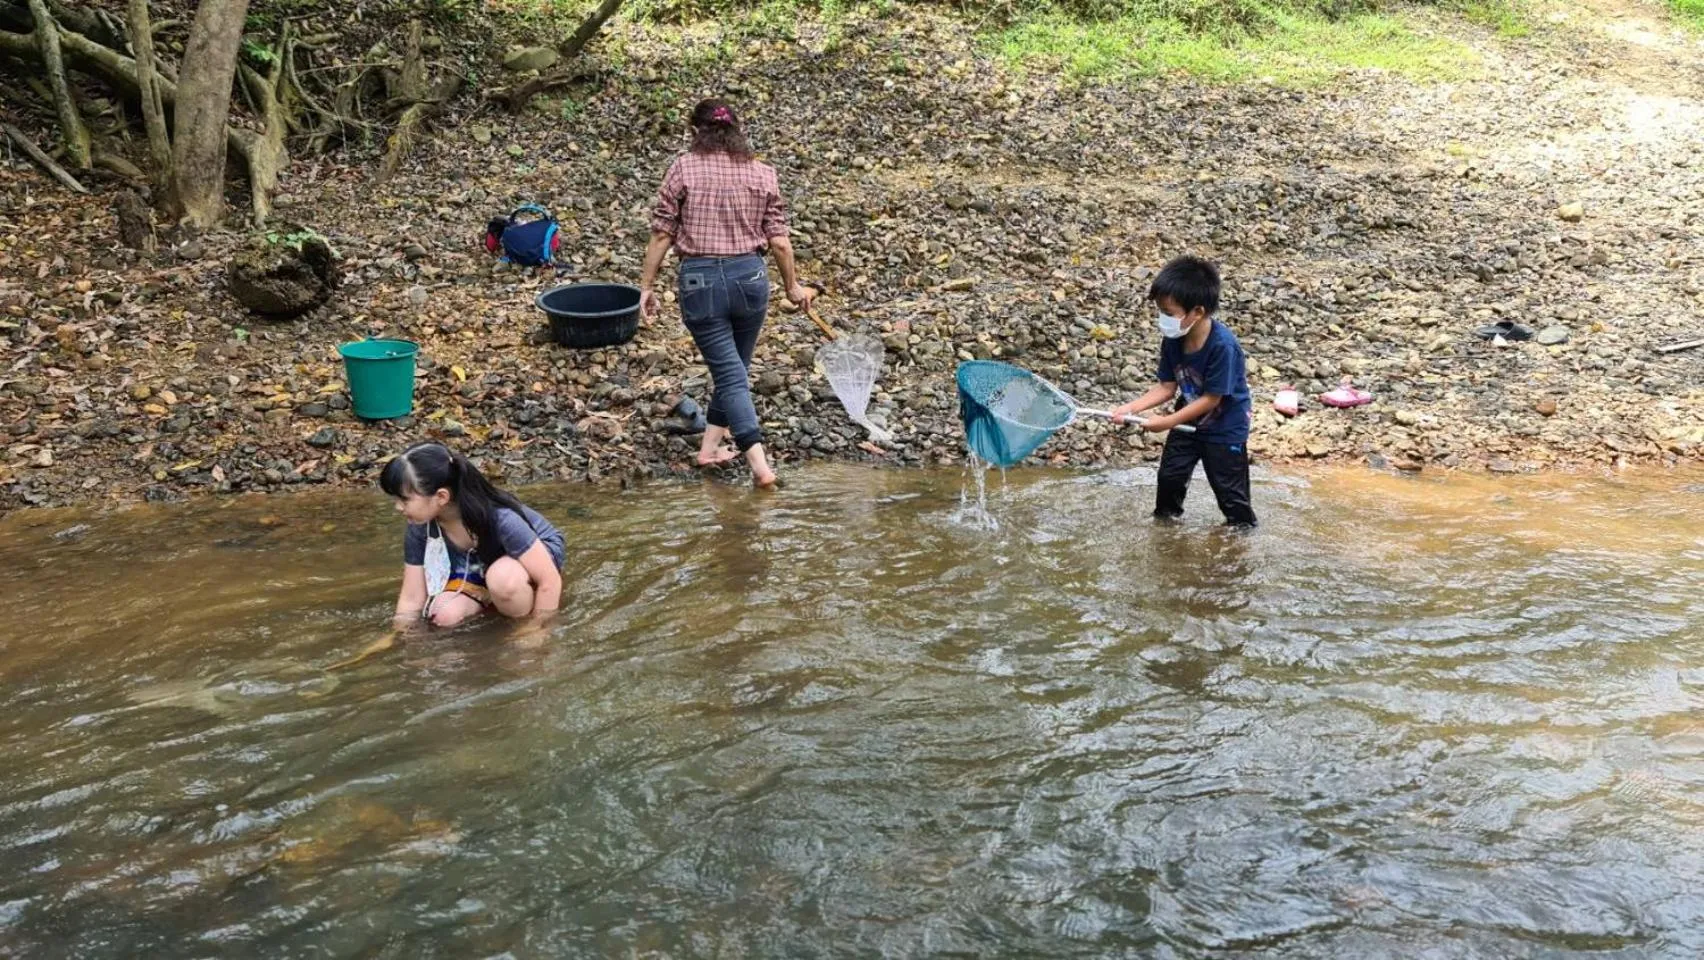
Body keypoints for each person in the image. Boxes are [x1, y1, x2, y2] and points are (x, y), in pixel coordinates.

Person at [636, 97, 814, 490]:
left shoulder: (683, 167)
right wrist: (792, 286)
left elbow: (662, 233)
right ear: (738, 132)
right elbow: (780, 242)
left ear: (696, 131)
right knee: (733, 370)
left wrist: (646, 286)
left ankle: (760, 466)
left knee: (730, 373)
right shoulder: (763, 172)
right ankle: (709, 449)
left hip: (699, 282)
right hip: (750, 279)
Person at [1110, 256, 1257, 527]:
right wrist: (1131, 408)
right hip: (1187, 420)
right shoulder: (1173, 340)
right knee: (1170, 479)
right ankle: (1166, 529)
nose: (1163, 319)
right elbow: (1167, 387)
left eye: (1168, 313)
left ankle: (1241, 541)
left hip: (1225, 427)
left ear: (1197, 312)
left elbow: (1212, 399)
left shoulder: (1222, 346)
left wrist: (1165, 422)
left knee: (1231, 496)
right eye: (1160, 311)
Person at [381, 442, 566, 628]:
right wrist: (400, 637)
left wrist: (535, 633)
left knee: (504, 580)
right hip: (477, 563)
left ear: (441, 497)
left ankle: (518, 621)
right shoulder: (420, 526)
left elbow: (549, 581)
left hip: (533, 553)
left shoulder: (500, 518)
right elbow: (412, 598)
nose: (398, 507)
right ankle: (489, 596)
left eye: (404, 499)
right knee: (443, 615)